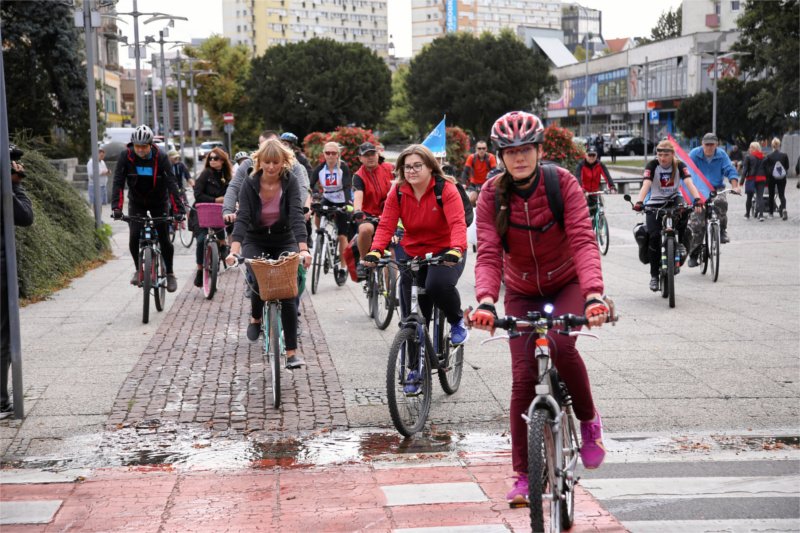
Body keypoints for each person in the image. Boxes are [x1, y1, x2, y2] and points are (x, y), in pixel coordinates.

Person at [467, 111, 611, 506]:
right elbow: (488, 254)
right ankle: (524, 476)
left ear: (539, 150)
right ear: (499, 155)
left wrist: (594, 295)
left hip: (567, 282)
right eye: (510, 151)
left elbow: (583, 239)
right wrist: (485, 301)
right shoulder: (491, 195)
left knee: (563, 347)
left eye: (526, 149)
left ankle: (588, 420)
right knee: (521, 378)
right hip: (521, 291)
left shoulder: (561, 183)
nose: (519, 158)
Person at [362, 144, 469, 347]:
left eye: (417, 166)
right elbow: (386, 224)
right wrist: (376, 250)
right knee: (411, 318)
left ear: (430, 166)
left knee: (436, 285)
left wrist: (456, 249)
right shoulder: (398, 192)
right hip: (413, 253)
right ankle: (413, 373)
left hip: (446, 252)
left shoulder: (445, 188)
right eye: (407, 167)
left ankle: (456, 322)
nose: (411, 171)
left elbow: (457, 222)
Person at [224, 139, 311, 369]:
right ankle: (256, 316)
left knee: (288, 290)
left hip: (284, 237)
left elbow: (296, 215)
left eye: (276, 162)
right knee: (257, 277)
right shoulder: (250, 184)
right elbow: (242, 219)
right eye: (267, 162)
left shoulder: (290, 182)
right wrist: (234, 252)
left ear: (284, 162)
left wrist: (303, 249)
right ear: (259, 162)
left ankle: (291, 353)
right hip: (256, 238)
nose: (271, 167)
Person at [111, 125, 185, 293]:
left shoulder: (162, 157)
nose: (141, 150)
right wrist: (116, 207)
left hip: (159, 201)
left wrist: (178, 211)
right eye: (137, 146)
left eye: (144, 146)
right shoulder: (126, 156)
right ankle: (138, 269)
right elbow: (118, 182)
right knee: (134, 236)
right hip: (137, 201)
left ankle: (171, 273)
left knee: (165, 238)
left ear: (151, 145)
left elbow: (172, 184)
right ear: (133, 145)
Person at [632, 139, 704, 289]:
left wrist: (697, 199)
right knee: (654, 237)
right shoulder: (652, 165)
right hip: (655, 201)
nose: (662, 158)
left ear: (672, 155)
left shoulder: (680, 165)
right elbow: (646, 184)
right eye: (659, 155)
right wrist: (639, 202)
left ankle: (682, 244)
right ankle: (653, 276)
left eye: (665, 155)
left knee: (685, 211)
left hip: (674, 199)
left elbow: (689, 182)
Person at [1, 145, 35, 419]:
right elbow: (25, 217)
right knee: (3, 335)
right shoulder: (6, 190)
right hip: (1, 271)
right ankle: (1, 399)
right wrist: (15, 186)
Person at [687, 133, 739, 263]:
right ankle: (693, 253)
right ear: (702, 144)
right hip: (698, 189)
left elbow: (730, 170)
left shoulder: (721, 155)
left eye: (712, 145)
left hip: (716, 189)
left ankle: (721, 230)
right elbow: (686, 170)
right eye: (707, 144)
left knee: (721, 202)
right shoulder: (694, 154)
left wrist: (735, 186)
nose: (709, 147)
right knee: (697, 223)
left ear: (717, 144)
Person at [310, 141, 352, 280]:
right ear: (324, 154)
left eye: (333, 153)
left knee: (342, 236)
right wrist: (315, 195)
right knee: (317, 210)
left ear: (338, 154)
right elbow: (311, 185)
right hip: (327, 197)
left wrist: (346, 204)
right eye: (327, 153)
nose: (330, 156)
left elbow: (347, 186)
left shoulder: (343, 167)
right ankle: (321, 234)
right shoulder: (320, 168)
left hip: (341, 199)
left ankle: (343, 268)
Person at [352, 142, 394, 278]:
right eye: (366, 155)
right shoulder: (359, 175)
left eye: (373, 153)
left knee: (393, 257)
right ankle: (363, 261)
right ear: (360, 158)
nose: (370, 157)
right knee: (365, 230)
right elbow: (358, 194)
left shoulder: (390, 169)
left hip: (390, 213)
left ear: (378, 154)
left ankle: (391, 295)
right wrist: (357, 210)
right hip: (368, 214)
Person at [192, 147, 232, 287]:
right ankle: (199, 270)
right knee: (201, 240)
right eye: (210, 158)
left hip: (219, 213)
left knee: (222, 230)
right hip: (202, 212)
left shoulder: (227, 177)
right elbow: (197, 195)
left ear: (223, 161)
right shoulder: (205, 174)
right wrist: (215, 200)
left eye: (216, 158)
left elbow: (232, 194)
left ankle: (223, 247)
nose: (212, 161)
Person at [574, 147, 616, 219]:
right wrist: (582, 190)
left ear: (596, 156)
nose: (591, 157)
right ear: (586, 155)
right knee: (584, 212)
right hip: (585, 192)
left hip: (595, 191)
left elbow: (607, 175)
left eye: (593, 155)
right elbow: (578, 178)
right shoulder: (581, 165)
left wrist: (612, 186)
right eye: (589, 155)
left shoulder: (600, 164)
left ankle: (601, 221)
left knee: (600, 208)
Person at [460, 140, 497, 206]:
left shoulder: (491, 157)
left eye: (483, 148)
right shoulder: (471, 157)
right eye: (479, 148)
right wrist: (463, 183)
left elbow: (494, 172)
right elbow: (465, 171)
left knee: (488, 203)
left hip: (487, 184)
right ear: (476, 149)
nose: (481, 150)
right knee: (471, 199)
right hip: (474, 184)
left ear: (486, 149)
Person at [741, 141, 767, 222]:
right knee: (760, 197)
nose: (749, 149)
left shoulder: (748, 157)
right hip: (762, 179)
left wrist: (741, 181)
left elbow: (745, 170)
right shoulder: (764, 157)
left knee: (749, 197)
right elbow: (766, 170)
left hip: (751, 179)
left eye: (750, 147)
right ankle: (761, 215)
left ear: (753, 148)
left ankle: (747, 214)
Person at [764, 137, 790, 220]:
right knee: (782, 195)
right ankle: (784, 209)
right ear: (779, 145)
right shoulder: (784, 155)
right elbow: (787, 167)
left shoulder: (769, 156)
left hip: (771, 178)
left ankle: (771, 214)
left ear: (772, 145)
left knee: (771, 195)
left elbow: (765, 167)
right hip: (782, 178)